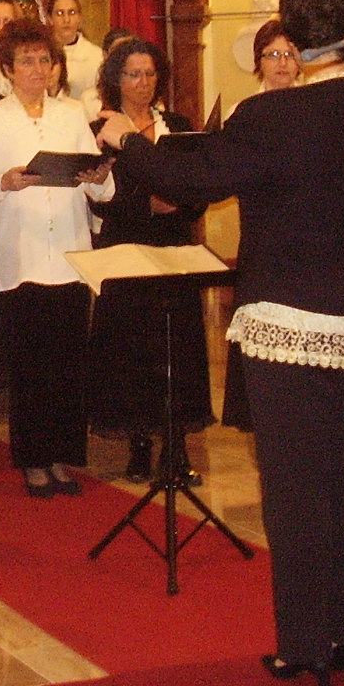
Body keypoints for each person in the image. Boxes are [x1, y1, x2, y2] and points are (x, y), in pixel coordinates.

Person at [98, 0, 344, 686]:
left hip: (291, 324)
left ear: (296, 35)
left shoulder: (269, 117)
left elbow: (188, 180)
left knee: (298, 489)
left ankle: (306, 644)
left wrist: (128, 140)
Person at [0, 19, 114, 499]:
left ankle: (62, 457)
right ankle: (33, 460)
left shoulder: (71, 114)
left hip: (69, 255)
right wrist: (3, 182)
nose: (37, 69)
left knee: (68, 365)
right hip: (22, 257)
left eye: (44, 60)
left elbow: (102, 187)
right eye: (26, 61)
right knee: (31, 367)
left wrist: (97, 178)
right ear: (7, 68)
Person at [86, 38, 212, 484]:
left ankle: (175, 447)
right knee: (131, 349)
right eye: (133, 74)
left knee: (178, 346)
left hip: (173, 248)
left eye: (150, 74)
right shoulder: (101, 129)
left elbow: (200, 182)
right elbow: (95, 195)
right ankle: (138, 444)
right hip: (126, 247)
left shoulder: (177, 126)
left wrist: (181, 204)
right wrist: (145, 207)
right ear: (115, 79)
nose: (143, 82)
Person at [220, 19, 302, 433]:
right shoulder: (243, 112)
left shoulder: (311, 109)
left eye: (289, 54)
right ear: (259, 62)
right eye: (272, 55)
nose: (282, 63)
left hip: (305, 242)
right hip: (261, 236)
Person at [48, 0, 102, 104]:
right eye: (59, 13)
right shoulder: (41, 54)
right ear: (50, 19)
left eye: (72, 13)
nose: (66, 20)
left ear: (79, 18)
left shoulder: (96, 56)